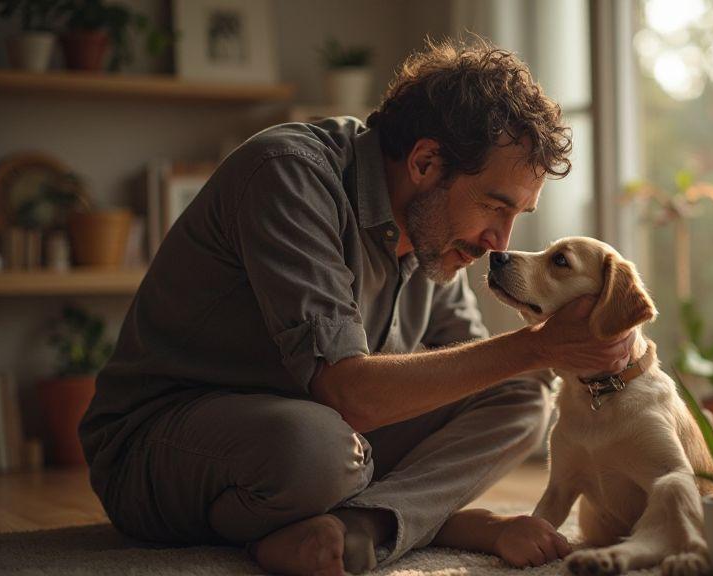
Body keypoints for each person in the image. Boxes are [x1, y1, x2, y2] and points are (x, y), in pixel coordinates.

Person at [79, 38, 633, 576]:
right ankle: (428, 523)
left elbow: (467, 372)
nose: (499, 240)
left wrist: (549, 357)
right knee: (315, 449)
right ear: (425, 163)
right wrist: (537, 346)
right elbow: (346, 394)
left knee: (518, 392)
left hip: (333, 444)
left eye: (518, 217)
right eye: (493, 205)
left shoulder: (436, 233)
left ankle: (361, 528)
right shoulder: (290, 174)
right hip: (162, 444)